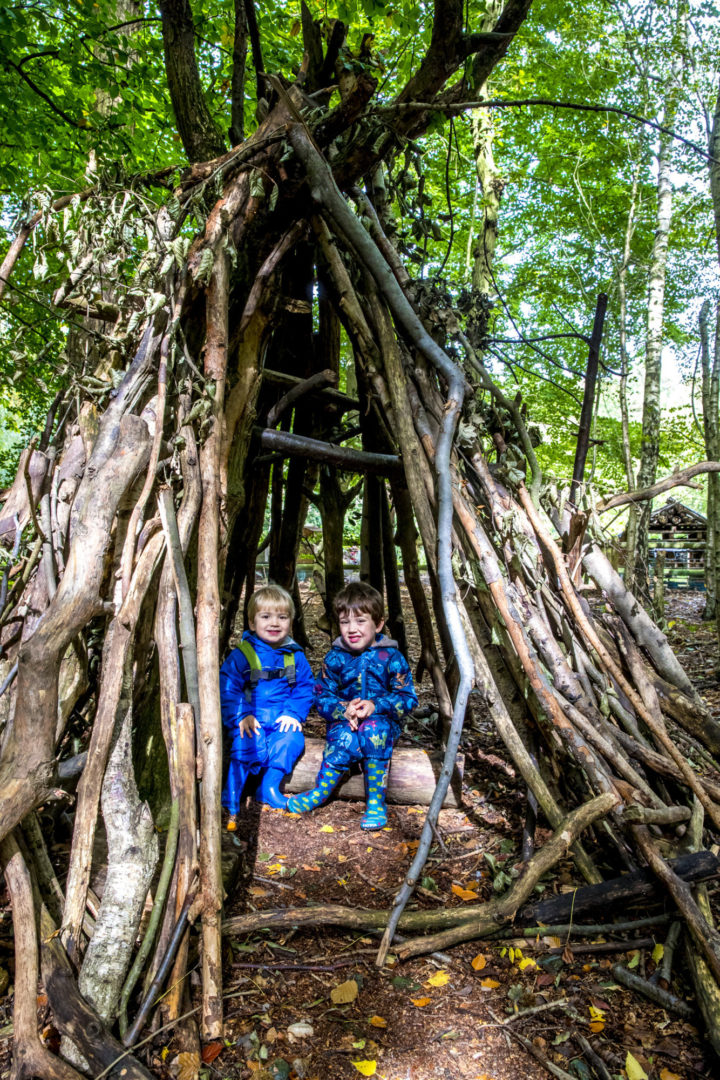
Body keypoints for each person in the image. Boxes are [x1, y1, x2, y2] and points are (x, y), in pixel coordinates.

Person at [287, 581, 417, 830]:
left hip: (383, 723)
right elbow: (321, 696)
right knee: (346, 738)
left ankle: (376, 803)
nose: (352, 629)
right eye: (345, 622)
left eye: (360, 621)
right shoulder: (335, 657)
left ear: (378, 624)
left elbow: (408, 698)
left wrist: (376, 705)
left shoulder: (391, 657)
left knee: (373, 730)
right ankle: (320, 792)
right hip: (344, 722)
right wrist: (342, 709)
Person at [221, 584, 313, 829]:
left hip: (281, 717)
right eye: (266, 617)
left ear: (290, 622)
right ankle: (231, 796)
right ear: (252, 623)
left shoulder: (294, 655)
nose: (274, 623)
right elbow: (228, 688)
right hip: (252, 718)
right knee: (246, 743)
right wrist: (241, 716)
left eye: (282, 617)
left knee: (291, 741)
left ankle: (269, 788)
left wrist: (294, 713)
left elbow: (305, 686)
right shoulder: (243, 655)